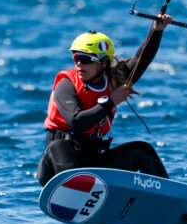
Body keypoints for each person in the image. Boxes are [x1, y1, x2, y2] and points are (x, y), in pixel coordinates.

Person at [37, 14, 173, 186]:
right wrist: (110, 102)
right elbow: (76, 122)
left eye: (84, 59)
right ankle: (75, 192)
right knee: (59, 146)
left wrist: (156, 31)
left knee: (142, 150)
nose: (78, 64)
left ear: (103, 63)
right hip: (58, 168)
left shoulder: (114, 81)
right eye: (75, 58)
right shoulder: (66, 84)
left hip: (94, 163)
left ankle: (168, 198)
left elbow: (140, 60)